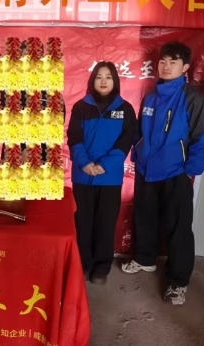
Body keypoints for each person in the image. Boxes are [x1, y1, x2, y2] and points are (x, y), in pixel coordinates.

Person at [122, 41, 204, 306]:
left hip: (176, 172)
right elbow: (139, 132)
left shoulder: (192, 98)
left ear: (185, 67)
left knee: (178, 228)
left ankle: (178, 282)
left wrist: (190, 171)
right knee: (145, 217)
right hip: (147, 170)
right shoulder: (151, 97)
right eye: (163, 61)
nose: (166, 66)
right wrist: (138, 156)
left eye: (173, 62)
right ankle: (145, 258)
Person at [67, 61, 137, 285]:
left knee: (105, 224)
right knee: (83, 223)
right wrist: (84, 163)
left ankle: (101, 269)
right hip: (83, 176)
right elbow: (74, 137)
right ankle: (82, 265)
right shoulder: (81, 107)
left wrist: (106, 164)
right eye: (99, 77)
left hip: (109, 177)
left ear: (115, 80)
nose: (103, 81)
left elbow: (126, 140)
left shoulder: (125, 109)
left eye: (108, 77)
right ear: (92, 80)